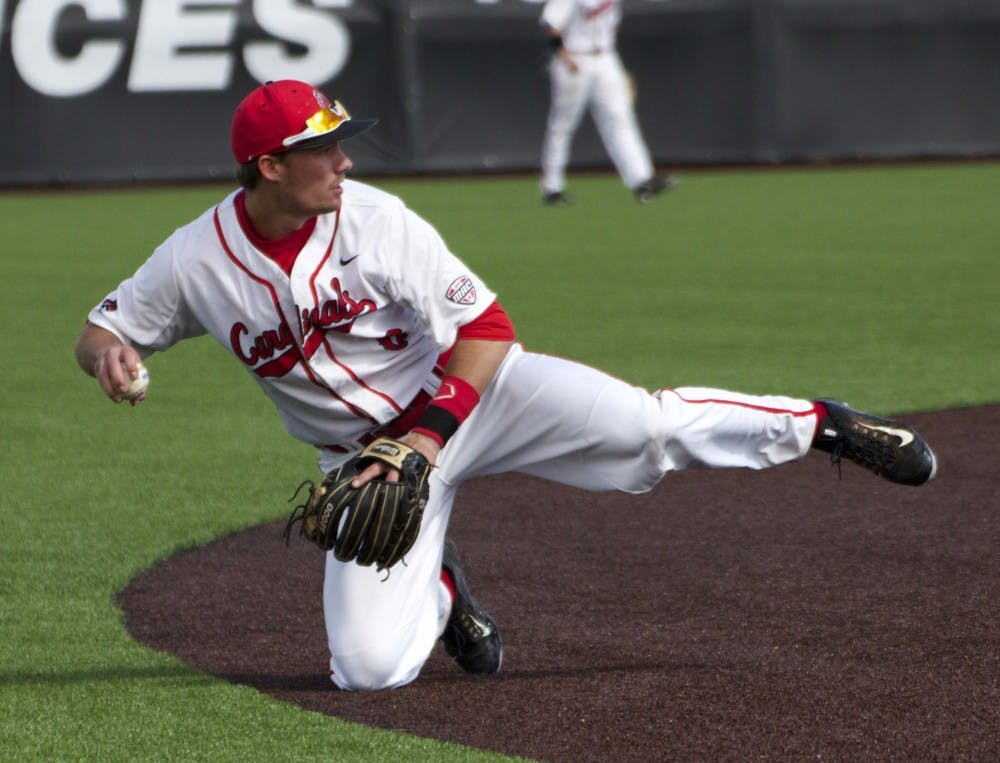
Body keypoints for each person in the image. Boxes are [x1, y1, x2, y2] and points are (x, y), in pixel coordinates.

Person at [75, 79, 937, 692]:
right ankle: (440, 589)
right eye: (322, 147)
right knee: (367, 673)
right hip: (369, 466)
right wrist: (108, 353)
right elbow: (103, 327)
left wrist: (425, 437)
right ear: (269, 166)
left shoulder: (376, 219)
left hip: (480, 400)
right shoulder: (195, 262)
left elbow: (486, 331)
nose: (343, 160)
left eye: (342, 142)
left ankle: (821, 424)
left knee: (645, 428)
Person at [539, 0, 676, 205]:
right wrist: (564, 58)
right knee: (563, 126)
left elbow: (613, 23)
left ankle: (642, 180)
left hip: (605, 57)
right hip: (575, 57)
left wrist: (613, 62)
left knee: (621, 118)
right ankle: (552, 188)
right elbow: (552, 24)